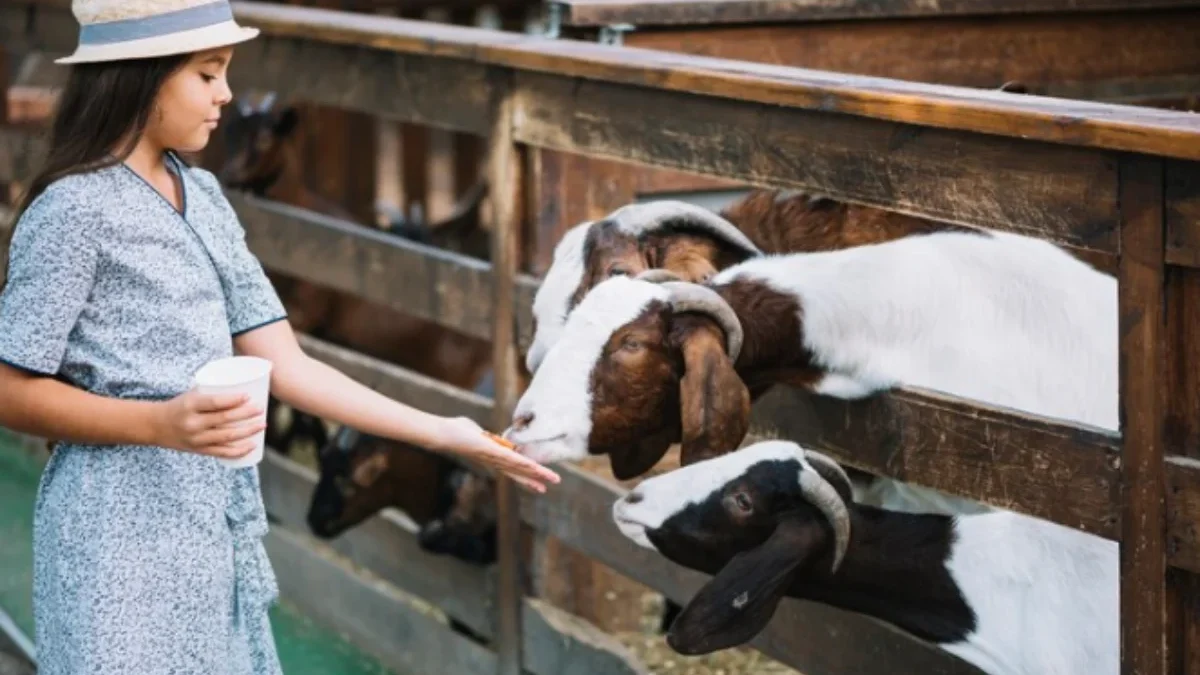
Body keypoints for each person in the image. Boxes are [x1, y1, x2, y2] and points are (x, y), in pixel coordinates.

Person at [0, 2, 559, 673]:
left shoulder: (202, 195)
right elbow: (9, 387)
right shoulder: (71, 211)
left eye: (225, 73)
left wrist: (446, 431)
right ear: (141, 76)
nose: (226, 94)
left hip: (210, 534)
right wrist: (159, 422)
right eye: (207, 75)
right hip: (114, 546)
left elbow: (288, 363)